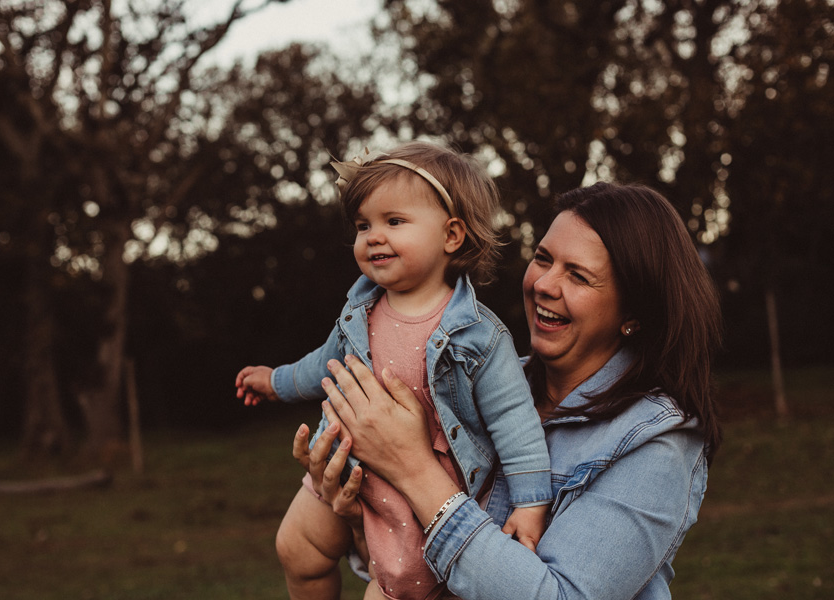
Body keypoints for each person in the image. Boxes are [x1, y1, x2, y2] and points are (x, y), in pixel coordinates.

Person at [299, 182, 723, 599]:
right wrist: (358, 512)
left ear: (632, 312)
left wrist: (413, 470)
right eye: (543, 258)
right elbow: (409, 571)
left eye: (577, 275)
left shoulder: (656, 441)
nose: (544, 284)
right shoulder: (467, 386)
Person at [235, 142, 553, 599]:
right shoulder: (359, 310)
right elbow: (322, 366)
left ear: (451, 235)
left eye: (394, 221)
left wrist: (530, 503)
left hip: (414, 496)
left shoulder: (479, 336)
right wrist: (275, 381)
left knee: (393, 592)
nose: (372, 236)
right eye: (364, 225)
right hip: (343, 468)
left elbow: (516, 425)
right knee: (296, 548)